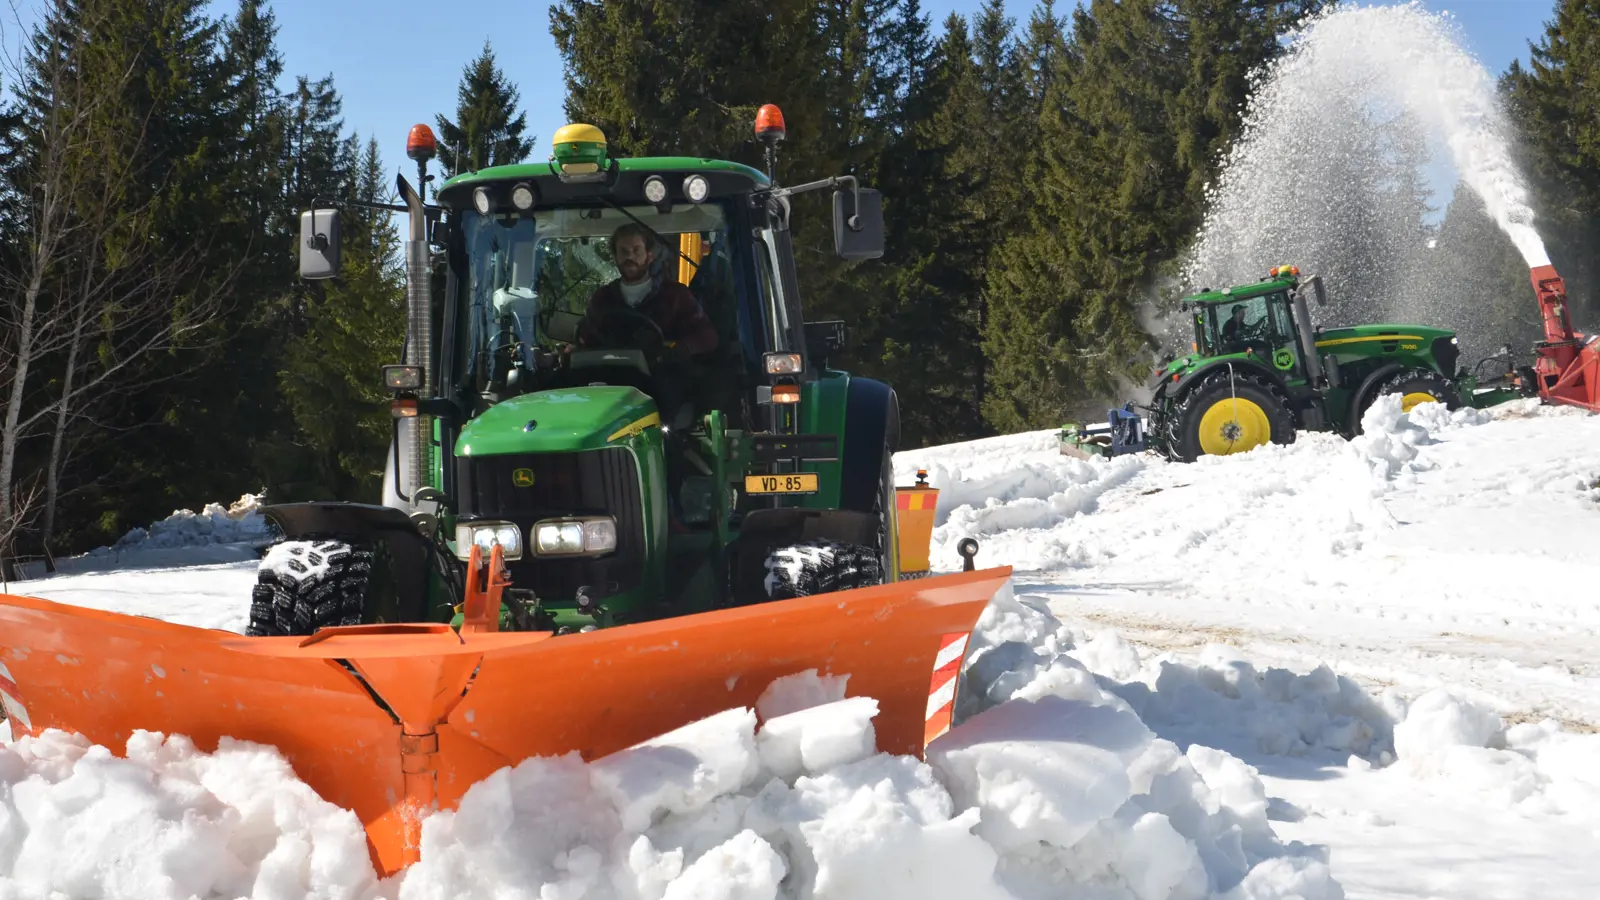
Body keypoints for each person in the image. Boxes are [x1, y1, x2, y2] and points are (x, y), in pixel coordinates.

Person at [577, 223, 719, 429]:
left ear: (649, 255)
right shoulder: (603, 299)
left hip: (660, 380)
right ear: (615, 257)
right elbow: (586, 337)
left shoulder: (675, 296)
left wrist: (680, 349)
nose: (630, 257)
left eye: (636, 250)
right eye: (624, 251)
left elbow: (707, 336)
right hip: (610, 381)